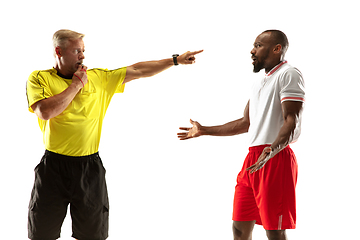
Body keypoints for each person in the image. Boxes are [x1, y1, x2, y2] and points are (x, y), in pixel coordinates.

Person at [26, 29, 203, 240]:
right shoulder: (39, 78)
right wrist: (75, 85)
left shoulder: (98, 77)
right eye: (76, 51)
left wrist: (175, 60)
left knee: (92, 234)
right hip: (53, 167)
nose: (82, 56)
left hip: (89, 168)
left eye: (83, 51)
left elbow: (137, 69)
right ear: (59, 51)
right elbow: (45, 112)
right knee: (42, 233)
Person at [177, 30, 305, 240]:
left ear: (276, 48)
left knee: (274, 231)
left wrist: (272, 149)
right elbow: (245, 123)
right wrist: (204, 130)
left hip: (275, 157)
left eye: (258, 45)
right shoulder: (258, 82)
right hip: (252, 160)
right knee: (239, 227)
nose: (252, 51)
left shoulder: (289, 74)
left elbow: (292, 120)